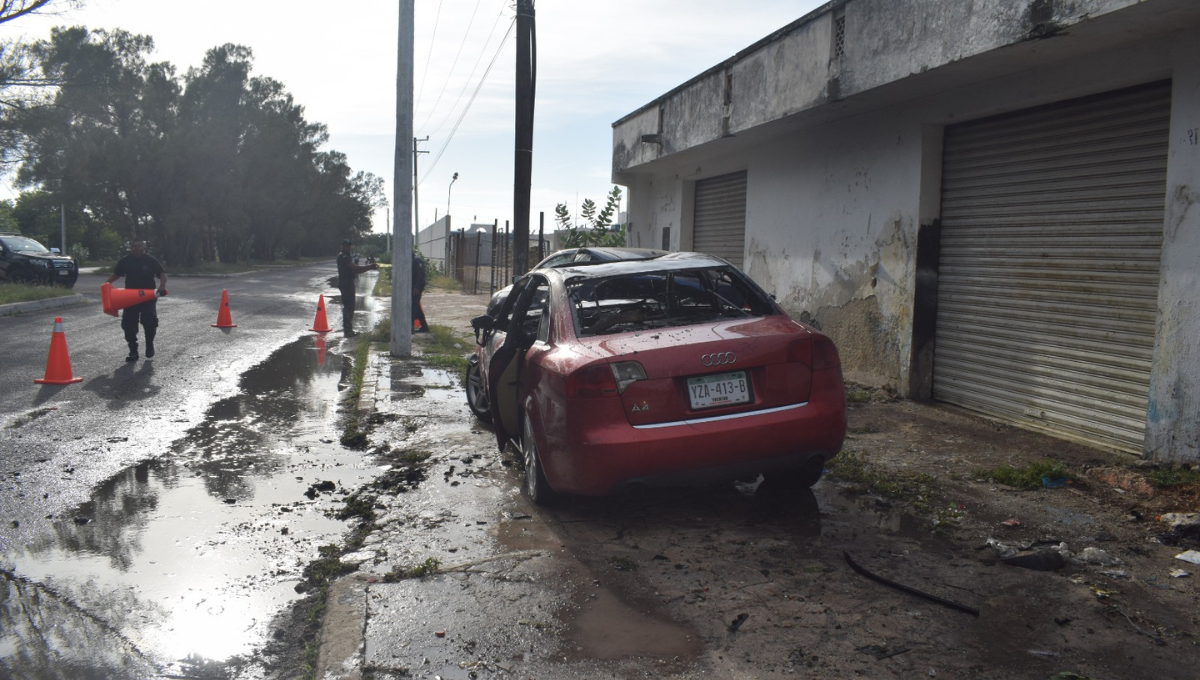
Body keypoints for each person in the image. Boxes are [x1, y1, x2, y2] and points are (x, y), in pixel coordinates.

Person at [105, 238, 167, 362]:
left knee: (149, 322)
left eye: (139, 246)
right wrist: (107, 283)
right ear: (131, 248)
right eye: (134, 246)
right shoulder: (125, 261)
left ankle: (149, 344)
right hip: (129, 298)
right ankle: (133, 351)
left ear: (144, 248)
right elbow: (117, 274)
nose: (136, 248)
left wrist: (162, 286)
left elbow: (162, 273)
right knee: (128, 325)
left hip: (148, 297)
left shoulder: (150, 260)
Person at [337, 238, 378, 337]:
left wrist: (369, 267)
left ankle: (349, 330)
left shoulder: (347, 256)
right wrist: (370, 267)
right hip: (346, 284)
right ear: (342, 246)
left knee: (350, 307)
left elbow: (356, 270)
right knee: (348, 307)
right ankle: (348, 332)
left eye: (349, 246)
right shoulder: (343, 256)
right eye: (346, 246)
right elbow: (355, 268)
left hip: (348, 283)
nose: (348, 247)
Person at [412, 251, 429, 333]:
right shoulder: (410, 261)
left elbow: (421, 274)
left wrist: (417, 287)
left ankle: (410, 328)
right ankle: (424, 327)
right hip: (412, 287)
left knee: (413, 307)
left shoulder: (417, 260)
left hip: (416, 288)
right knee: (416, 307)